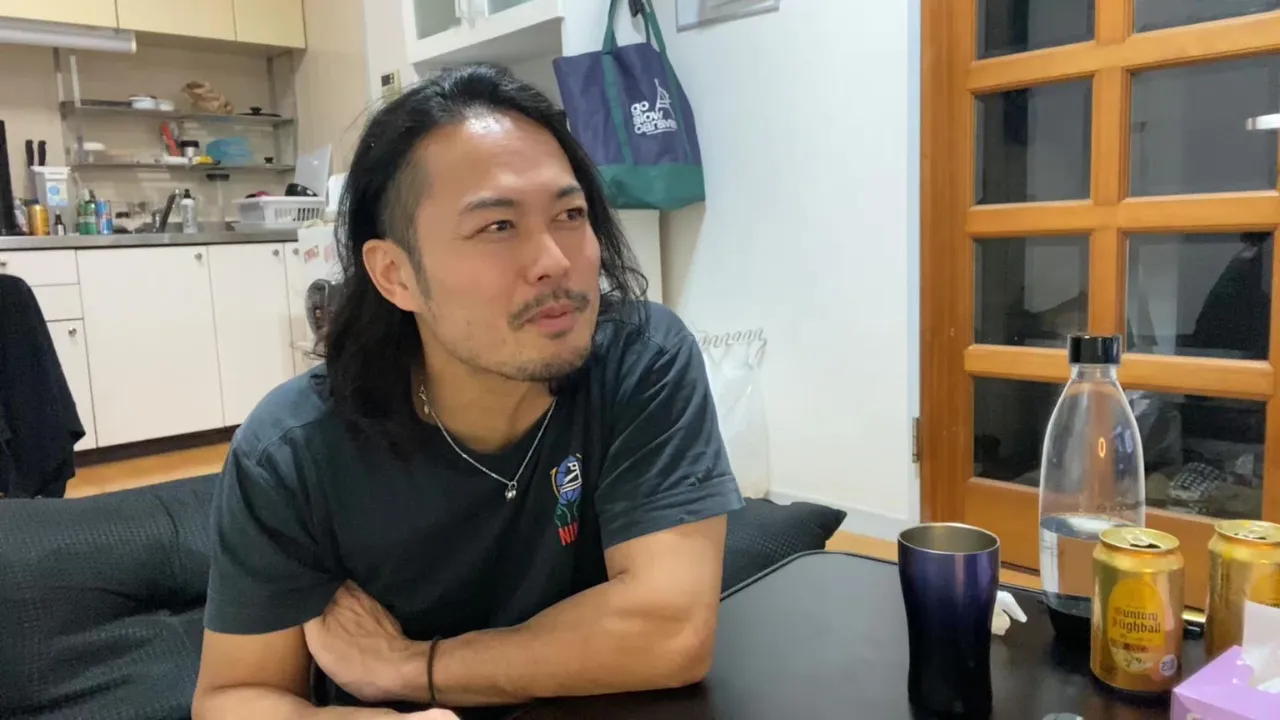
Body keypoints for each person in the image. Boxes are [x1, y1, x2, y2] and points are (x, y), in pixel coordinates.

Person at [191, 63, 743, 719]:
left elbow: (668, 630)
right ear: (395, 276)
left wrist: (409, 668)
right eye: (498, 226)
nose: (556, 261)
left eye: (570, 214)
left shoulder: (641, 360)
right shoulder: (292, 450)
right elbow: (234, 696)